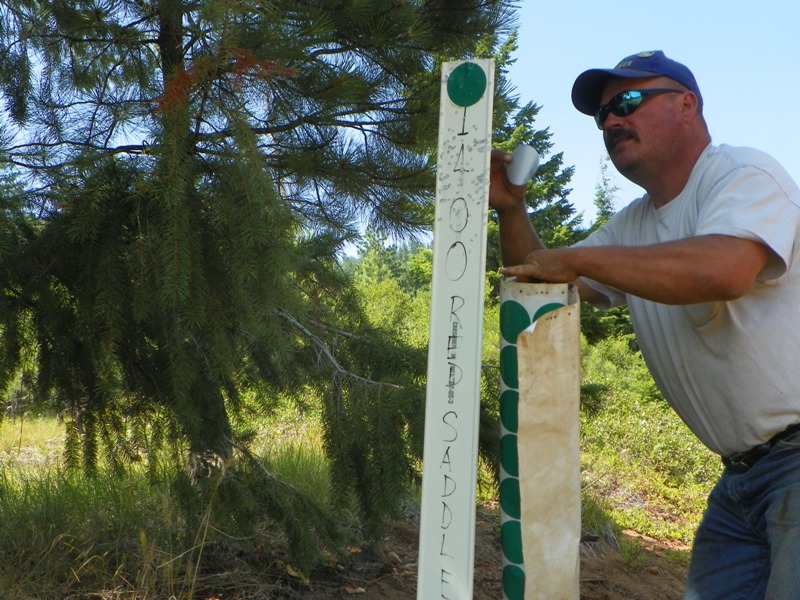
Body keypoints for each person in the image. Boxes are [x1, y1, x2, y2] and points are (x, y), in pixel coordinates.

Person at [490, 50, 800, 599]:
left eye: (629, 101)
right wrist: (512, 211)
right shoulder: (633, 225)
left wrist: (582, 259)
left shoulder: (743, 175)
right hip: (740, 481)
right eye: (602, 114)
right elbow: (543, 287)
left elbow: (724, 269)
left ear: (687, 104)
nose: (611, 121)